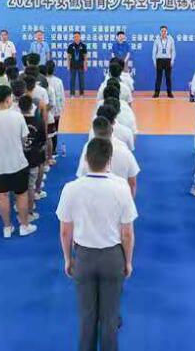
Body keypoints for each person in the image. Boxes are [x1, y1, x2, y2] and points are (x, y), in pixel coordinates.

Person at [56, 137, 137, 351]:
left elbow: (65, 231)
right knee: (110, 318)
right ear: (109, 160)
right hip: (112, 256)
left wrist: (68, 259)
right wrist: (128, 261)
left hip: (84, 257)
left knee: (87, 317)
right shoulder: (121, 188)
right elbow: (127, 233)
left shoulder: (71, 188)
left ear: (86, 159)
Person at [0, 85, 37, 238]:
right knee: (21, 195)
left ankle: (7, 228)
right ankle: (24, 226)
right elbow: (25, 139)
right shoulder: (17, 116)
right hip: (18, 162)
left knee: (3, 196)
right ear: (7, 99)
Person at [18, 95, 47, 221]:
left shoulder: (16, 120)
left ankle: (19, 207)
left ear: (19, 107)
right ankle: (29, 212)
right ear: (31, 107)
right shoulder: (38, 121)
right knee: (30, 186)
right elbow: (43, 140)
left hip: (18, 158)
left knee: (19, 187)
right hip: (33, 158)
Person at [45, 60, 65, 158]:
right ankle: (53, 151)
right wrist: (60, 110)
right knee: (55, 130)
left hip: (46, 110)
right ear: (54, 69)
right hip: (55, 110)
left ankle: (47, 151)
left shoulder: (43, 80)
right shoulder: (58, 81)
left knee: (46, 131)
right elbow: (61, 97)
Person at [152, 25, 175, 98]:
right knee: (158, 77)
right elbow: (154, 52)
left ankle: (169, 92)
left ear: (167, 31)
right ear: (160, 32)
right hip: (159, 60)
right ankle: (156, 93)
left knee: (168, 77)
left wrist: (172, 60)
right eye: (162, 31)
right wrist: (154, 61)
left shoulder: (171, 39)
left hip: (168, 60)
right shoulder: (157, 40)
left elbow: (173, 51)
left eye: (165, 31)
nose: (163, 32)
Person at [67, 31, 87, 97]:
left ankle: (81, 94)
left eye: (77, 36)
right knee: (72, 80)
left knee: (81, 80)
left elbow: (85, 57)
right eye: (75, 37)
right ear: (73, 37)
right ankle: (72, 93)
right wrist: (68, 65)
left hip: (81, 65)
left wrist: (85, 65)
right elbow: (68, 57)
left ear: (80, 37)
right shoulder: (70, 46)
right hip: (72, 65)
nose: (76, 38)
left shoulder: (83, 46)